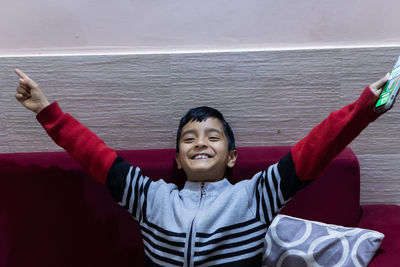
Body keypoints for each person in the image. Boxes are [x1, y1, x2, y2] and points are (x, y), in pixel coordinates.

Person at [14, 68, 389, 267]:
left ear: (232, 157)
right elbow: (94, 156)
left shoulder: (256, 195)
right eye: (189, 138)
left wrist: (363, 110)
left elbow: (314, 150)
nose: (201, 143)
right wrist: (48, 111)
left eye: (213, 136)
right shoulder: (150, 197)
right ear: (177, 159)